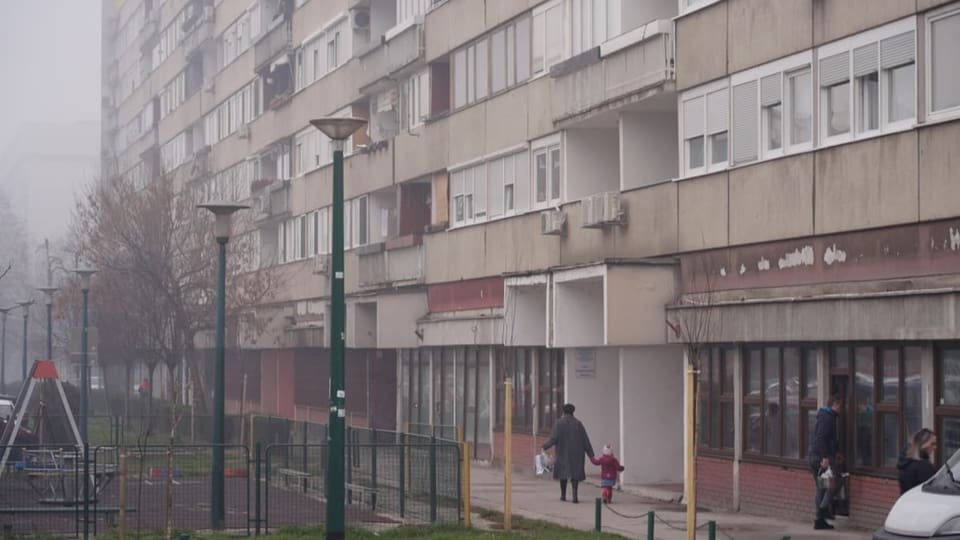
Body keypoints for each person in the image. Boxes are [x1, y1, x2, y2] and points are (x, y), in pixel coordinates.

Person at [542, 403, 594, 503]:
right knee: (575, 475)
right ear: (573, 411)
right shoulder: (578, 424)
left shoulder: (559, 423)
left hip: (563, 452)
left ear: (563, 411)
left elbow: (554, 438)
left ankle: (563, 495)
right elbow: (585, 440)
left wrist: (545, 446)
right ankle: (575, 495)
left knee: (563, 473)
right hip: (577, 453)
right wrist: (591, 455)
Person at [807, 395, 842, 530]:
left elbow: (828, 439)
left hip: (815, 456)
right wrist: (825, 457)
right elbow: (821, 439)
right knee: (835, 482)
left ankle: (819, 521)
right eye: (839, 405)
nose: (840, 409)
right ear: (834, 404)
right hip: (820, 458)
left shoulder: (825, 416)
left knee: (821, 487)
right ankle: (822, 511)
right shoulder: (828, 418)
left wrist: (836, 451)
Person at [898, 428, 937, 494]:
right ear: (923, 444)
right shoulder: (923, 466)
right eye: (932, 444)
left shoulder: (906, 462)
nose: (935, 447)